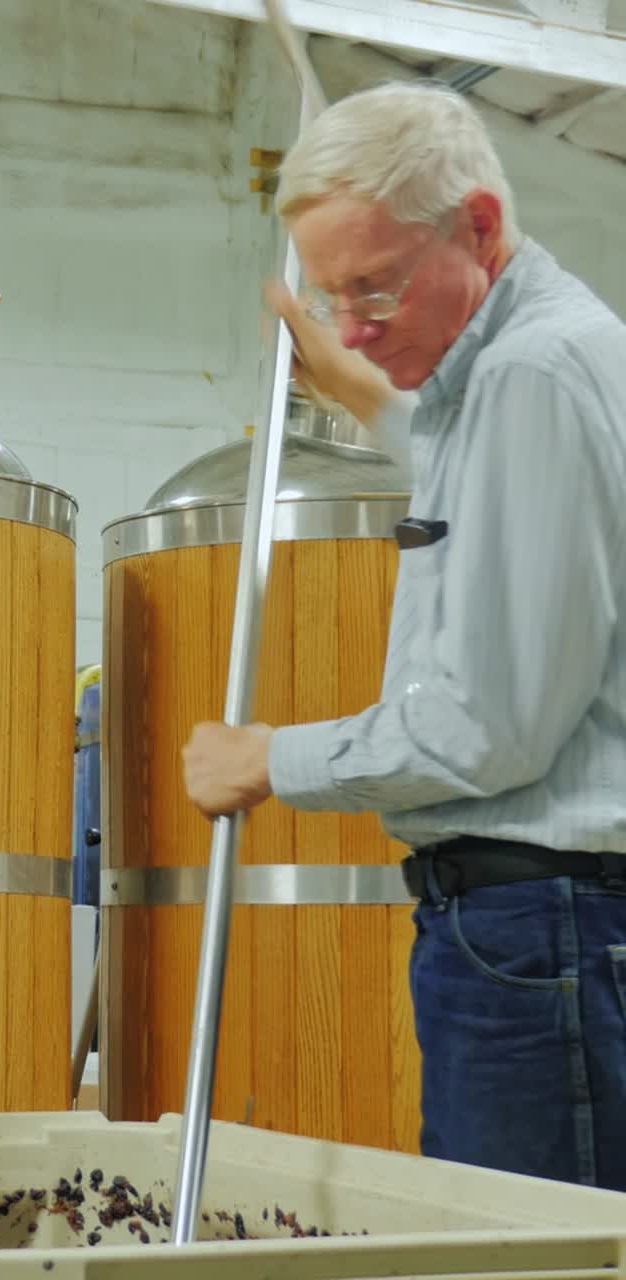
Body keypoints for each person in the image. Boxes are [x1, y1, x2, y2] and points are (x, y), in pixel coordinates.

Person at [182, 80, 626, 1191]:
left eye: (373, 286)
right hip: (554, 930)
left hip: (538, 934)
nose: (351, 326)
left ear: (477, 225)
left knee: (523, 1262)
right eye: (329, 297)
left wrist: (267, 757)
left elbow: (487, 727)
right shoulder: (556, 357)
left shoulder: (529, 374)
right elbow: (487, 489)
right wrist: (362, 390)